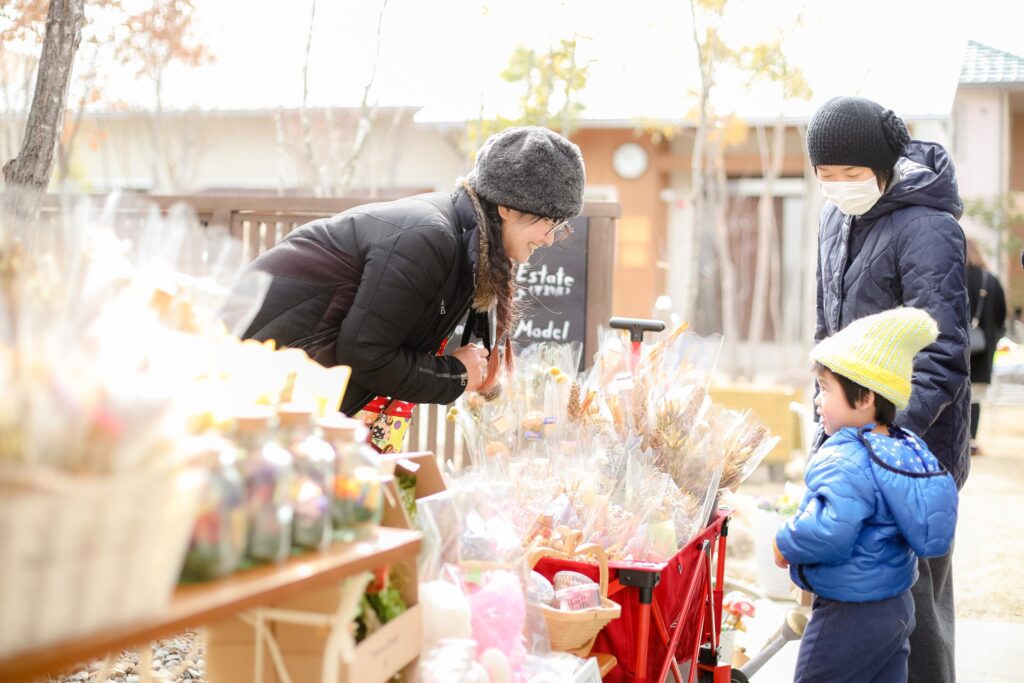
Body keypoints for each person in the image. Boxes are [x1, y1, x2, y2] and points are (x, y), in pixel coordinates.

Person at [241, 126, 586, 416]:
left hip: (284, 392)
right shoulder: (429, 239)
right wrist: (457, 373)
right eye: (549, 221)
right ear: (507, 209)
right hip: (252, 383)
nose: (549, 238)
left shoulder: (460, 243)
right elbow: (365, 355)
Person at [807, 96, 969, 682]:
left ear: (884, 166)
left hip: (911, 449)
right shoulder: (833, 219)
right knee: (857, 602)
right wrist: (827, 426)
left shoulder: (930, 228)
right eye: (826, 176)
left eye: (851, 175)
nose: (839, 187)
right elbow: (828, 335)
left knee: (915, 611)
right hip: (850, 439)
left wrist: (884, 440)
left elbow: (942, 354)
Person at [775, 307, 958, 683]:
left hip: (848, 614)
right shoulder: (904, 448)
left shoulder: (844, 454)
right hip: (897, 607)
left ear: (865, 397)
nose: (816, 401)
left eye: (825, 389)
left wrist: (784, 542)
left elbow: (829, 532)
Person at [966, 238, 1007, 455]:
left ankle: (958, 440)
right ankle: (971, 441)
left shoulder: (953, 278)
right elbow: (1001, 317)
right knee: (975, 397)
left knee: (955, 396)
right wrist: (993, 338)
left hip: (955, 348)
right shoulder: (990, 281)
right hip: (983, 351)